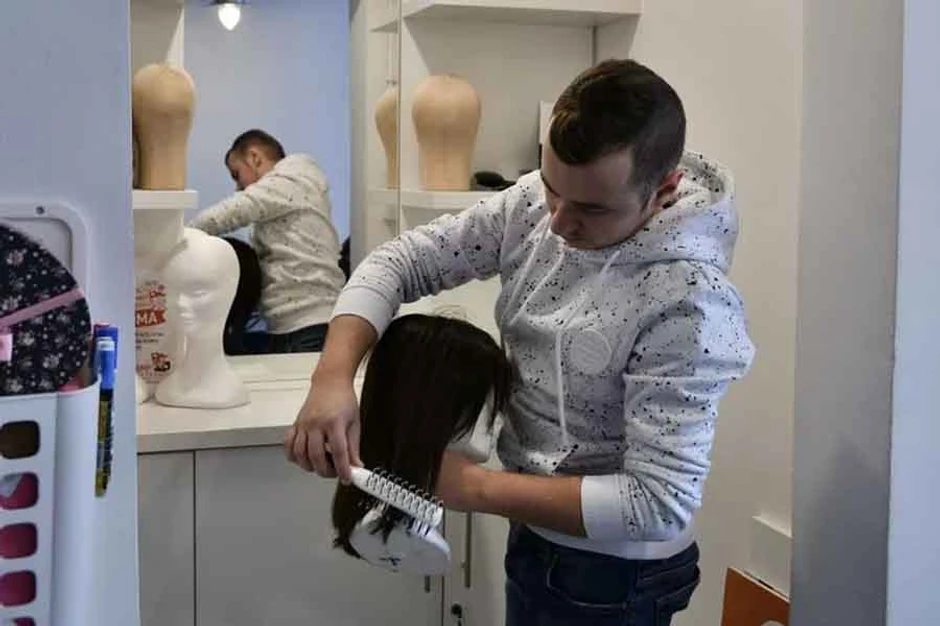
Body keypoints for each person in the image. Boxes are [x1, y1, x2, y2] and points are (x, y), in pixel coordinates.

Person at [285, 59, 755, 625]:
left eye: (590, 209)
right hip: (537, 537)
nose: (556, 223)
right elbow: (399, 262)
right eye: (552, 189)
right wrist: (332, 377)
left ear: (664, 191)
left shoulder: (690, 303)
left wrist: (474, 488)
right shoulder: (536, 203)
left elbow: (657, 502)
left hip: (615, 577)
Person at [189, 129, 345, 353]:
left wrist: (180, 238)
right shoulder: (293, 192)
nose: (238, 187)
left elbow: (229, 213)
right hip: (297, 323)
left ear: (255, 157)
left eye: (236, 174)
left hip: (307, 324)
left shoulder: (288, 182)